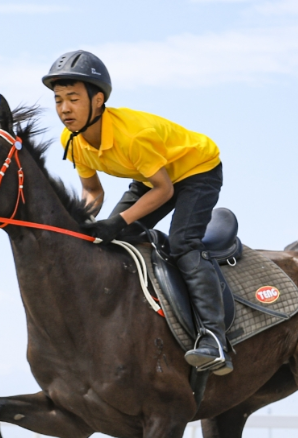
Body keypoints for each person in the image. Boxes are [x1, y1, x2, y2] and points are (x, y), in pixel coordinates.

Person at [43, 50, 231, 375]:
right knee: (111, 243)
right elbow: (93, 192)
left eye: (73, 99)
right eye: (59, 100)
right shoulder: (71, 139)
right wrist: (83, 225)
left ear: (98, 100)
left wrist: (118, 221)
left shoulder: (132, 136)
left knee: (182, 243)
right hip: (151, 177)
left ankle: (214, 337)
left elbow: (165, 190)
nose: (64, 109)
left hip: (196, 171)